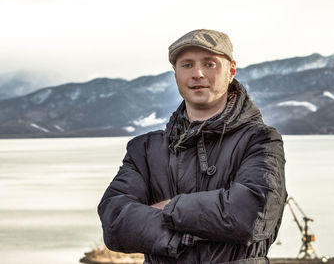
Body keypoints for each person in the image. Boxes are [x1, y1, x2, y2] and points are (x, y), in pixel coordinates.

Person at [98, 29, 287, 264]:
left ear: (231, 71)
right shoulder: (144, 149)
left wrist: (166, 209)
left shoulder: (260, 140)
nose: (197, 74)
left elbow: (250, 216)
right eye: (187, 65)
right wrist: (190, 234)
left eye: (209, 64)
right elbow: (115, 222)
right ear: (175, 74)